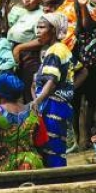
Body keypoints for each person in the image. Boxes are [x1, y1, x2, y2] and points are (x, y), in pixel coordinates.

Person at [31, 12, 78, 168]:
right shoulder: (63, 49)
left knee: (51, 148)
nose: (38, 31)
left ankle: (56, 181)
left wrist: (37, 100)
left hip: (53, 106)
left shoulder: (54, 51)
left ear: (53, 30)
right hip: (61, 104)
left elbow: (51, 81)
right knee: (57, 147)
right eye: (37, 27)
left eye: (42, 27)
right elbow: (82, 70)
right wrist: (68, 89)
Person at [8, 0, 44, 102]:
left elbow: (42, 39)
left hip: (30, 56)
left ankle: (32, 118)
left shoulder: (41, 14)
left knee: (29, 89)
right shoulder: (24, 13)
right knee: (18, 90)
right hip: (18, 55)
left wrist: (19, 48)